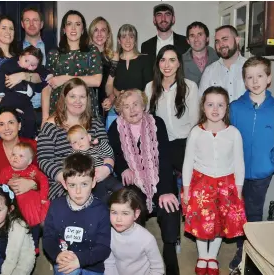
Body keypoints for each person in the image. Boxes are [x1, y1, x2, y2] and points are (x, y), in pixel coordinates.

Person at [108, 89, 180, 275]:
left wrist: (165, 189)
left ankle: (170, 250)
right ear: (120, 110)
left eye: (136, 104)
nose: (132, 109)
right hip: (133, 182)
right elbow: (114, 154)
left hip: (160, 177)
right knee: (132, 203)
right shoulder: (115, 128)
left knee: (170, 204)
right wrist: (123, 167)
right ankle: (136, 253)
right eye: (126, 106)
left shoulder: (157, 123)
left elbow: (164, 159)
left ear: (143, 105)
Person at [182, 86, 247, 275]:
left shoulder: (234, 133)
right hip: (201, 184)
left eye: (220, 105)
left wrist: (239, 189)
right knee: (203, 222)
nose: (215, 109)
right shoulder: (196, 132)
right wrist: (186, 190)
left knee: (220, 222)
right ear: (203, 107)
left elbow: (239, 163)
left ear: (227, 108)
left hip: (226, 185)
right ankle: (202, 255)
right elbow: (188, 162)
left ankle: (212, 256)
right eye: (210, 104)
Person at [229, 56, 274, 272]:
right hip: (236, 172)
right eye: (249, 77)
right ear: (244, 81)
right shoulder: (236, 107)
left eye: (260, 76)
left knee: (254, 212)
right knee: (238, 211)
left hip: (261, 173)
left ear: (269, 78)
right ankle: (241, 248)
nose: (255, 81)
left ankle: (252, 253)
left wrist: (270, 163)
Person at [37, 78, 113, 201]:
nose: (78, 101)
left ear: (88, 100)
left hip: (95, 178)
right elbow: (44, 160)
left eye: (82, 97)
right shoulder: (50, 126)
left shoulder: (96, 124)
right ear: (64, 99)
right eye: (72, 96)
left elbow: (107, 151)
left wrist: (107, 168)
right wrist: (66, 178)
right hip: (64, 183)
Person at [43, 153, 111, 275]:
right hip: (64, 262)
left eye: (84, 184)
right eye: (72, 185)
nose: (78, 191)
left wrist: (79, 260)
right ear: (64, 184)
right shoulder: (56, 206)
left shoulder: (101, 210)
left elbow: (103, 248)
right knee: (70, 271)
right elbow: (48, 238)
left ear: (93, 182)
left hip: (92, 266)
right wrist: (57, 255)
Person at [145, 44, 199, 173]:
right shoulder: (150, 87)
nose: (167, 65)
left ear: (179, 63)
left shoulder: (190, 87)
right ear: (158, 63)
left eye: (172, 60)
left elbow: (195, 122)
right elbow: (146, 120)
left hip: (184, 145)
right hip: (160, 146)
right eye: (163, 60)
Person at [43, 10, 102, 121]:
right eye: (69, 24)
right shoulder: (54, 53)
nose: (74, 28)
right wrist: (45, 117)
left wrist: (66, 79)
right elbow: (46, 88)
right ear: (64, 29)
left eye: (78, 24)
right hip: (58, 110)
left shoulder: (92, 51)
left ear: (83, 29)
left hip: (84, 110)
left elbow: (96, 81)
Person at [0, 142, 49, 254]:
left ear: (29, 161)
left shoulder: (33, 170)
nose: (16, 157)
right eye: (14, 154)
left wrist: (43, 199)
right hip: (15, 208)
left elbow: (44, 180)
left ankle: (34, 245)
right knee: (13, 228)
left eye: (21, 156)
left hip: (32, 209)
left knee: (34, 225)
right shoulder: (5, 171)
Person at [0, 45, 50, 138]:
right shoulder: (10, 65)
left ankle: (31, 136)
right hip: (11, 97)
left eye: (33, 65)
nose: (28, 66)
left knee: (30, 118)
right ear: (20, 57)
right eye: (26, 61)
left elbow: (44, 74)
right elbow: (0, 75)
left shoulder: (34, 71)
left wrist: (48, 75)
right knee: (8, 117)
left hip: (26, 101)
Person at [105, 188, 165, 275]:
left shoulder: (147, 239)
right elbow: (109, 263)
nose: (118, 219)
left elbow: (158, 270)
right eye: (114, 212)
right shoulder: (108, 233)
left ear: (136, 214)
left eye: (125, 213)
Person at [106, 24, 153, 129]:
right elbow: (109, 87)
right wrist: (118, 93)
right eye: (124, 37)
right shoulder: (113, 61)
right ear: (119, 40)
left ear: (135, 40)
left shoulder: (145, 59)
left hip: (140, 112)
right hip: (118, 112)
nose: (128, 41)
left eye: (131, 37)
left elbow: (149, 88)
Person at [0, 107, 38, 195]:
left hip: (30, 200)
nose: (6, 128)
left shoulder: (34, 146)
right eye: (1, 124)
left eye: (11, 122)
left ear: (19, 125)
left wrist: (33, 184)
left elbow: (47, 175)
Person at [67, 125, 123, 201]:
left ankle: (121, 205)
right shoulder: (75, 155)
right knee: (103, 197)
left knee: (120, 187)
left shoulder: (97, 148)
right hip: (93, 182)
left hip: (106, 176)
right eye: (75, 142)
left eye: (82, 138)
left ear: (89, 137)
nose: (79, 143)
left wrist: (100, 142)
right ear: (71, 146)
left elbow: (109, 152)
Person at [20, 6, 53, 129]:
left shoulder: (53, 48)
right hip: (22, 111)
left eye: (35, 20)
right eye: (27, 20)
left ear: (42, 24)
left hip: (49, 110)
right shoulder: (15, 49)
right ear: (22, 24)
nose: (31, 24)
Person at [199, 25, 247, 102]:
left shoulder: (251, 67)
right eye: (217, 41)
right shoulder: (209, 71)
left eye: (225, 39)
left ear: (237, 40)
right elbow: (202, 102)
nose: (221, 45)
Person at [141, 3, 189, 70]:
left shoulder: (185, 42)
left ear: (173, 19)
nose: (163, 18)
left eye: (167, 14)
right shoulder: (146, 46)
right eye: (159, 15)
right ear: (154, 20)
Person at [88, 17, 119, 119]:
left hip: (102, 103)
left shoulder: (113, 56)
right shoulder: (84, 55)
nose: (99, 34)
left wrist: (111, 97)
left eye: (103, 30)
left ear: (108, 34)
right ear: (91, 33)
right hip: (84, 101)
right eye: (96, 30)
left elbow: (109, 84)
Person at [182, 21, 219, 86]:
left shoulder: (219, 60)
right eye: (192, 35)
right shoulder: (180, 62)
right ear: (188, 40)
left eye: (200, 34)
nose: (196, 39)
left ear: (207, 38)